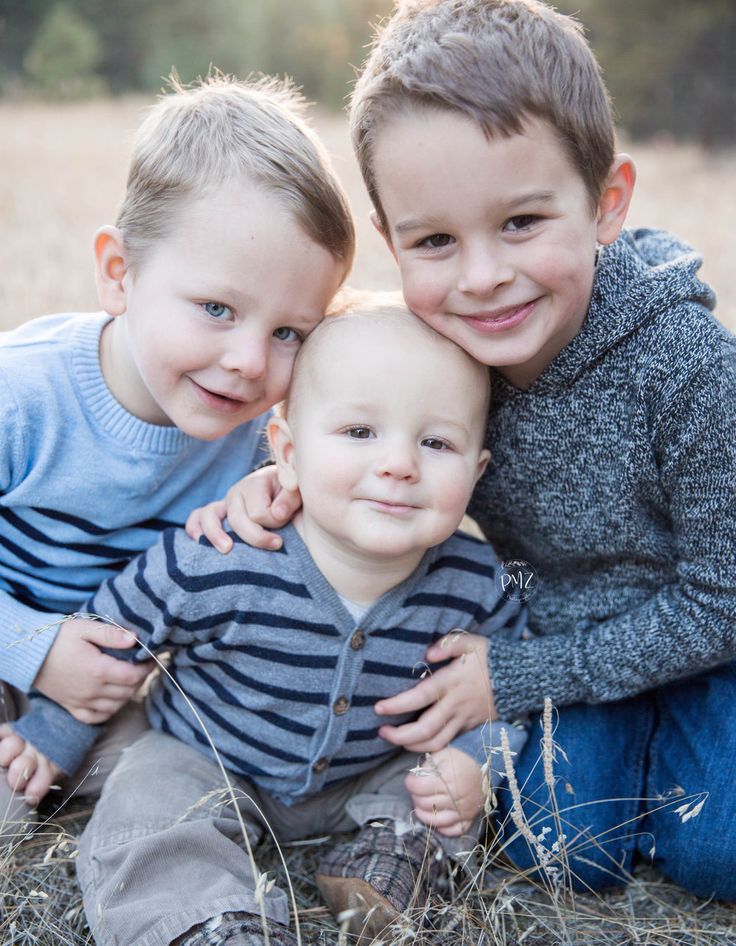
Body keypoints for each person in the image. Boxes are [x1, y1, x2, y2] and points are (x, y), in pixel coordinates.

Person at [188, 0, 736, 901]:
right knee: (556, 850)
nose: (481, 277)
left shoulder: (690, 370)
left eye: (522, 222)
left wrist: (516, 677)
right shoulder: (441, 346)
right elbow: (343, 412)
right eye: (436, 241)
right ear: (393, 238)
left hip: (704, 638)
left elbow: (722, 599)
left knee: (715, 853)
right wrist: (269, 482)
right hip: (567, 638)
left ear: (607, 203)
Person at [2, 299, 529, 945]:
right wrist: (54, 730)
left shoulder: (478, 580)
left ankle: (388, 853)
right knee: (150, 809)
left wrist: (476, 759)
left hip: (368, 768)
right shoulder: (222, 554)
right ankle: (210, 921)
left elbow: (517, 670)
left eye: (437, 442)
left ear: (476, 470)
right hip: (207, 757)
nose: (399, 464)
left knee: (433, 785)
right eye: (360, 432)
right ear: (286, 449)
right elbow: (115, 633)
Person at [0, 72, 353, 837]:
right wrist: (33, 650)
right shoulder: (21, 395)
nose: (250, 363)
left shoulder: (264, 440)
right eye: (217, 310)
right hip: (11, 644)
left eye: (289, 331)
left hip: (113, 696)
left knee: (185, 782)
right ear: (119, 274)